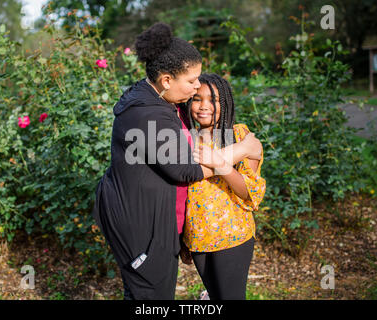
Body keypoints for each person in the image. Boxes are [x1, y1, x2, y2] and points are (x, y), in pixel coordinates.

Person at [91, 23, 263, 300]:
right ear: (167, 80)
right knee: (150, 295)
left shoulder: (165, 100)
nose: (197, 87)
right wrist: (241, 150)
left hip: (172, 224)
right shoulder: (147, 114)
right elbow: (186, 170)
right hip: (142, 227)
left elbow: (248, 186)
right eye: (192, 81)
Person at [182, 73, 266, 300]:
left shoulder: (239, 135)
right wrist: (181, 239)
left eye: (213, 100)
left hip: (232, 236)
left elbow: (250, 191)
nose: (204, 106)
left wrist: (220, 164)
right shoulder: (186, 139)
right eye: (197, 98)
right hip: (198, 237)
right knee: (215, 295)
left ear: (225, 103)